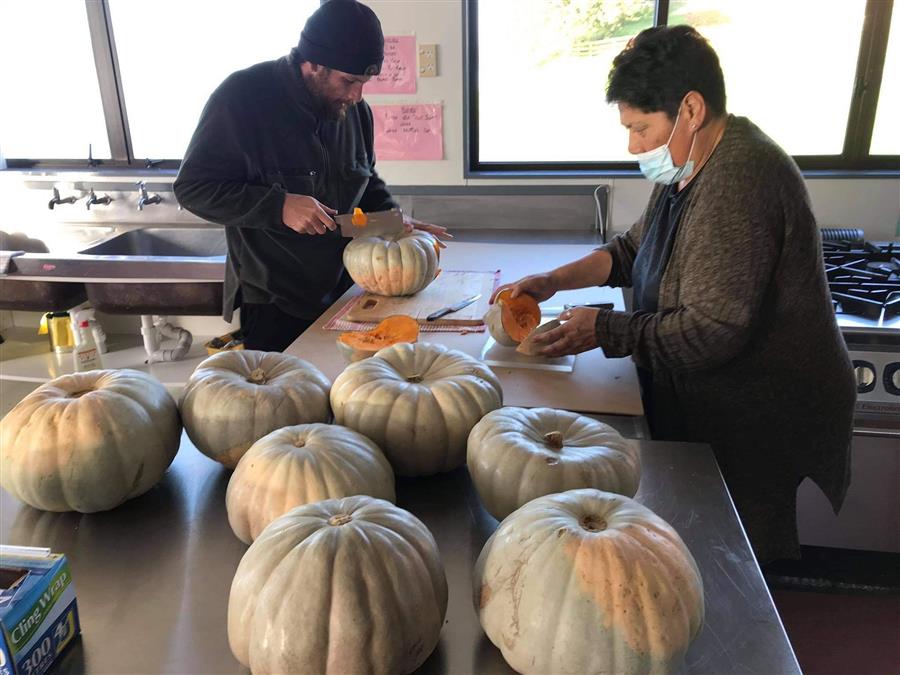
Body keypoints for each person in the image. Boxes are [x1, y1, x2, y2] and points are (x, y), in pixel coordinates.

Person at [492, 25, 855, 565]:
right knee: (705, 540)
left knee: (737, 554)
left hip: (763, 405)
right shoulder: (689, 162)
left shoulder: (740, 180)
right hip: (716, 391)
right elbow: (633, 249)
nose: (633, 145)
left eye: (640, 127)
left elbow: (714, 330)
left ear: (690, 109)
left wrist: (603, 329)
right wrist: (555, 280)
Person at [174, 0, 447, 352]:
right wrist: (279, 205)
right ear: (313, 63)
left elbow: (365, 180)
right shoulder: (242, 99)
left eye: (364, 83)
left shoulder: (354, 111)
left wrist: (391, 221)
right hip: (274, 303)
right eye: (349, 81)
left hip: (347, 290)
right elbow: (194, 188)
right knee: (287, 402)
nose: (357, 95)